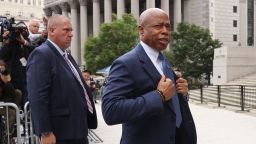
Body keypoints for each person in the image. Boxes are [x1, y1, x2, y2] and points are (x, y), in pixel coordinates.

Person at [102, 8, 197, 144]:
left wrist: (182, 94)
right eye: (158, 26)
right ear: (141, 30)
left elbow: (171, 103)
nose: (165, 31)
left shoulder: (164, 61)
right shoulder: (125, 63)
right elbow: (111, 111)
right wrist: (158, 96)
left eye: (168, 27)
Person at [27, 15, 97, 144]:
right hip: (59, 133)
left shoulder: (66, 55)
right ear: (52, 30)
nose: (71, 34)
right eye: (66, 30)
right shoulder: (42, 55)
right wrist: (45, 131)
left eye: (71, 30)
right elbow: (37, 97)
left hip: (77, 130)